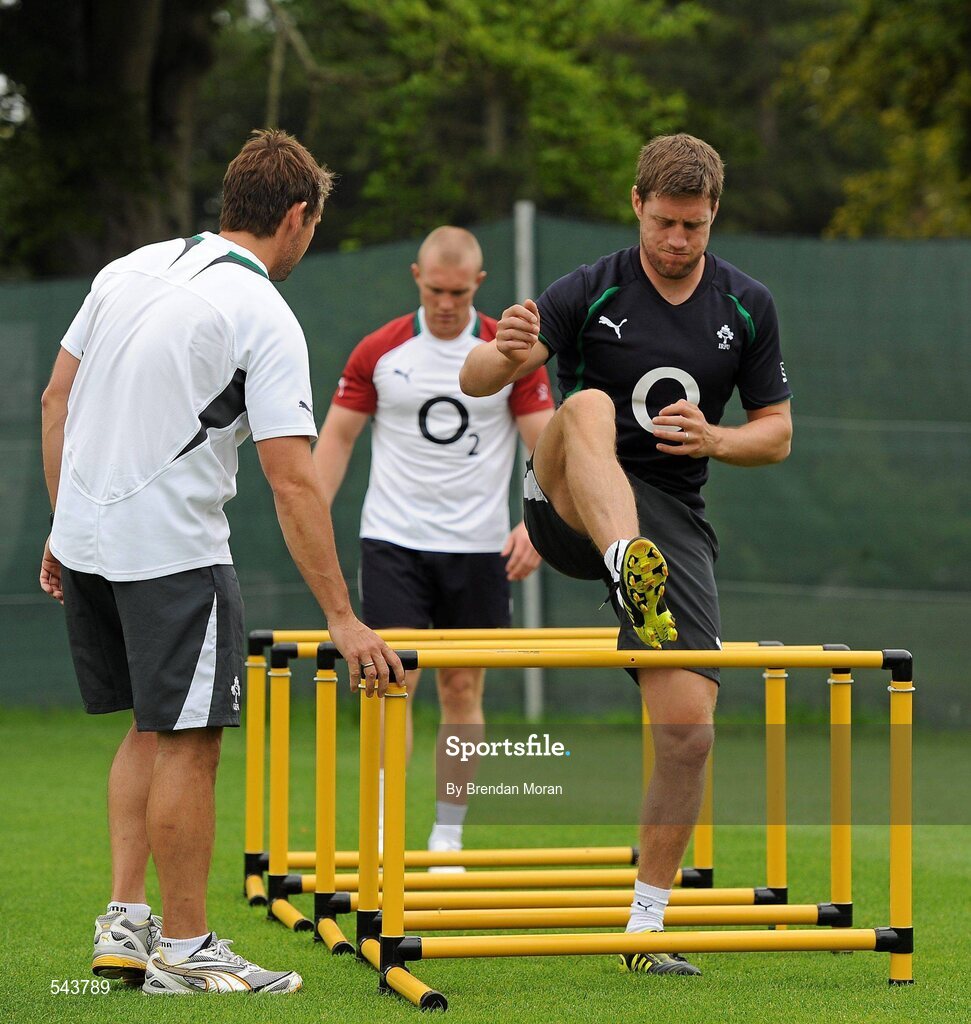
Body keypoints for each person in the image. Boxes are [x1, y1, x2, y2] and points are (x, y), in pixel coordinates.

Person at [39, 129, 404, 995]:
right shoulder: (264, 314)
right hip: (172, 555)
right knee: (192, 741)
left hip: (88, 544)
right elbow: (292, 482)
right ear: (297, 216)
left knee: (149, 727)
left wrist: (62, 526)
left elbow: (58, 396)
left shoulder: (127, 268)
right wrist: (343, 619)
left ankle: (126, 927)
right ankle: (189, 949)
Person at [460, 134, 792, 973]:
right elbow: (474, 380)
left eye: (693, 225)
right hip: (564, 503)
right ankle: (622, 567)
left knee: (688, 735)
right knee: (588, 405)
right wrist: (501, 349)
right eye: (664, 222)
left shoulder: (745, 305)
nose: (677, 240)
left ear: (713, 214)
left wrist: (717, 437)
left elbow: (778, 435)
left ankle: (645, 929)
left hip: (669, 517)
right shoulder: (588, 287)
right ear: (636, 203)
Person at [313, 226, 554, 862]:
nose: (445, 301)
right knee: (393, 683)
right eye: (434, 288)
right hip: (394, 540)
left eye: (458, 290)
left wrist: (538, 524)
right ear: (416, 275)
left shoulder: (508, 353)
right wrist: (308, 511)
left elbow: (550, 448)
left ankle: (448, 832)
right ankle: (387, 826)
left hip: (478, 548)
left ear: (478, 284)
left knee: (462, 690)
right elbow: (337, 439)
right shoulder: (380, 351)